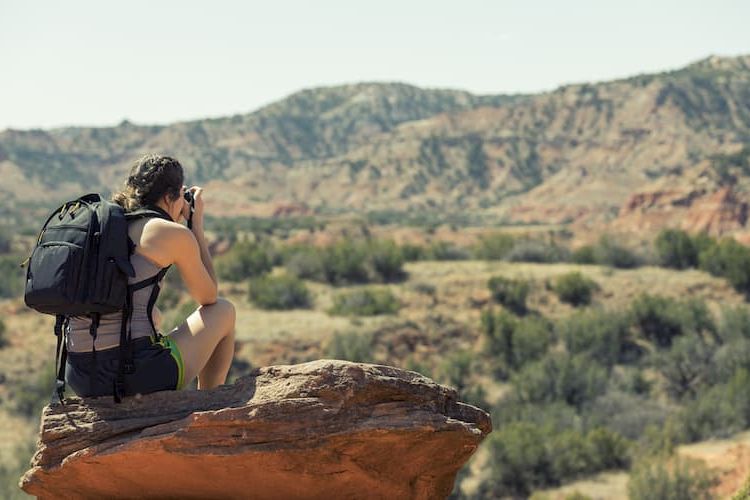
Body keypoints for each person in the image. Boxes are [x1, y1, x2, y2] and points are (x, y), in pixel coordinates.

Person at [65, 154, 236, 397]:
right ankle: (208, 403)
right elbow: (208, 297)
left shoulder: (103, 229)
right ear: (170, 197)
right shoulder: (170, 233)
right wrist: (195, 226)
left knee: (152, 319)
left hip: (81, 377)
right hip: (135, 375)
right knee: (224, 311)